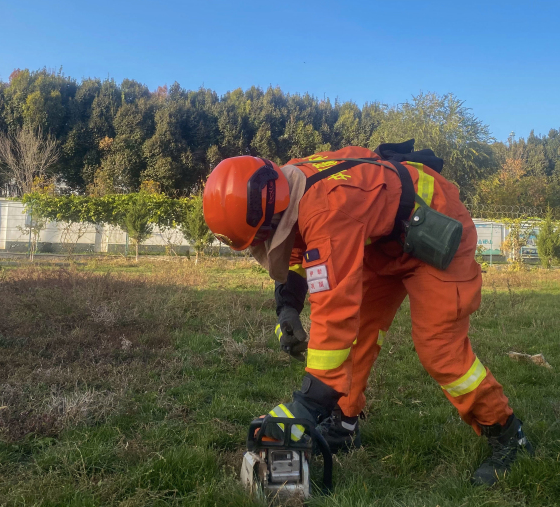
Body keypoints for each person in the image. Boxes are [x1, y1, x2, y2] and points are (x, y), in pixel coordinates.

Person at [203, 141, 533, 486]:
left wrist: (307, 406)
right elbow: (299, 249)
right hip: (384, 240)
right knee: (359, 335)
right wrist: (288, 307)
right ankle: (344, 425)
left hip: (437, 226)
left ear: (272, 215)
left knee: (440, 349)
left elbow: (335, 314)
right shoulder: (286, 184)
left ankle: (508, 433)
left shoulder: (327, 210)